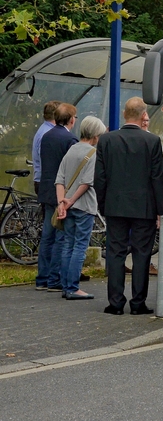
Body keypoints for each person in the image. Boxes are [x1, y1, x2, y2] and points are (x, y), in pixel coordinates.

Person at [94, 97, 163, 316]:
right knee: (141, 254)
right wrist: (161, 210)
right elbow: (157, 178)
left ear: (125, 114)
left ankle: (115, 303)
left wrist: (103, 204)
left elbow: (100, 178)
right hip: (143, 208)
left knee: (115, 253)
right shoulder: (152, 142)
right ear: (144, 115)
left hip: (115, 206)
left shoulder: (106, 141)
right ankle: (138, 303)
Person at [55, 116, 106, 300]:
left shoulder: (71, 150)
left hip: (68, 207)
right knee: (79, 246)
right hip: (84, 206)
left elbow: (59, 179)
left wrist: (63, 202)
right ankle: (73, 287)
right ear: (95, 135)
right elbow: (87, 182)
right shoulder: (93, 153)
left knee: (68, 244)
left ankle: (65, 286)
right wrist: (72, 200)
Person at [36, 103, 78, 292]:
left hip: (46, 190)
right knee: (61, 235)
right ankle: (55, 279)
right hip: (61, 192)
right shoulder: (70, 139)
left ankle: (42, 278)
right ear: (71, 119)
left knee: (47, 236)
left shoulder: (46, 136)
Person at [32, 100, 61, 195]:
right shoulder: (48, 134)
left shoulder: (44, 129)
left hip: (43, 181)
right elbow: (47, 161)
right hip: (48, 183)